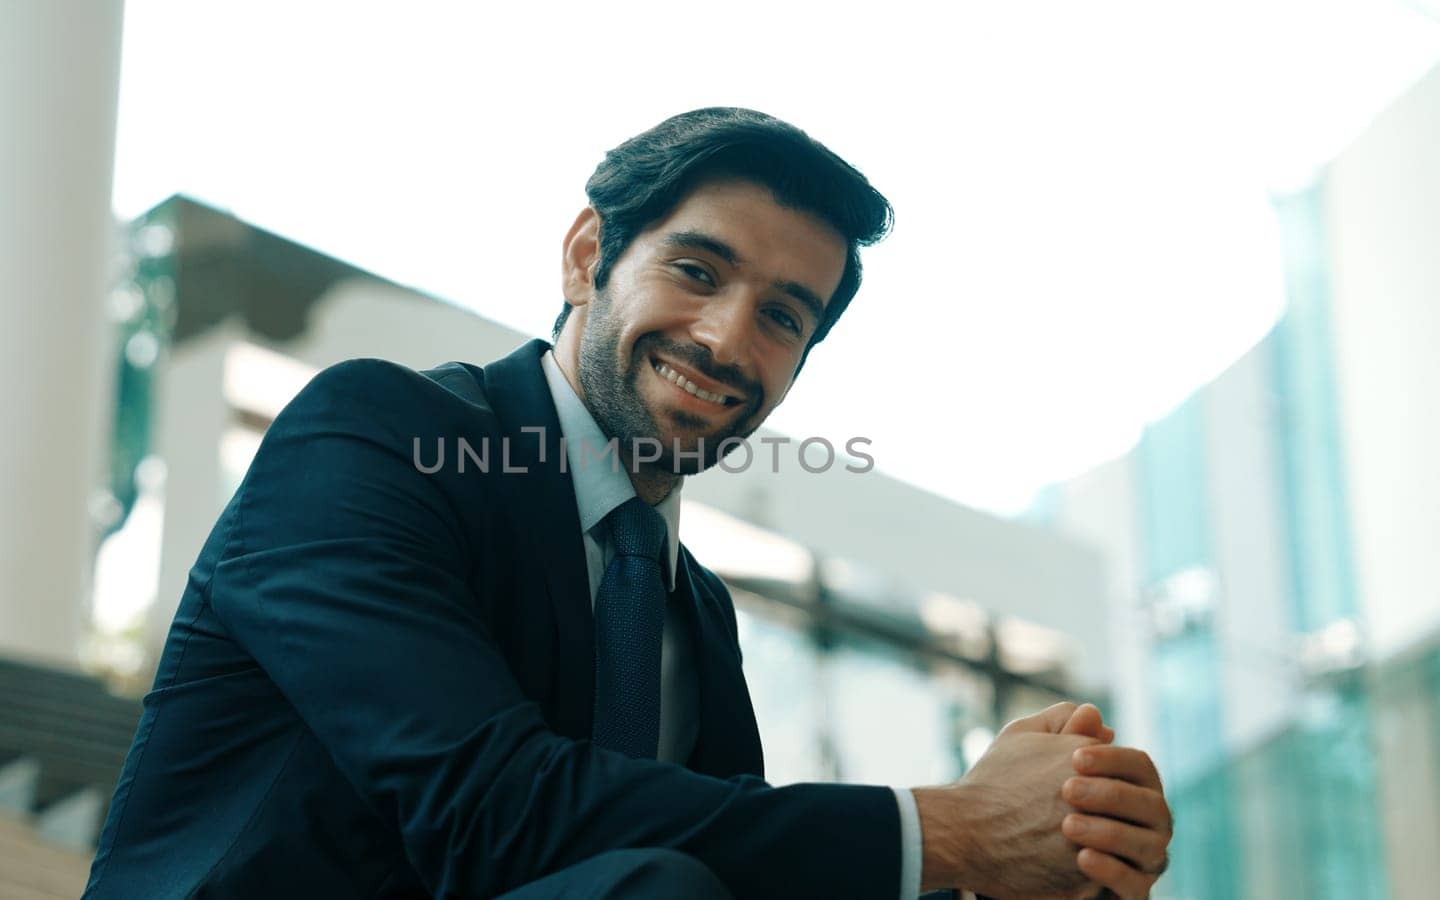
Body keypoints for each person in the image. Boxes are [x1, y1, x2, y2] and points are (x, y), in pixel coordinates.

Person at [83, 107, 1172, 899]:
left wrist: (1045, 846)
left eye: (783, 317)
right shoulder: (369, 439)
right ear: (587, 257)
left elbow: (739, 866)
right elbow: (490, 813)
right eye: (697, 272)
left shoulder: (691, 609)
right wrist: (958, 829)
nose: (725, 340)